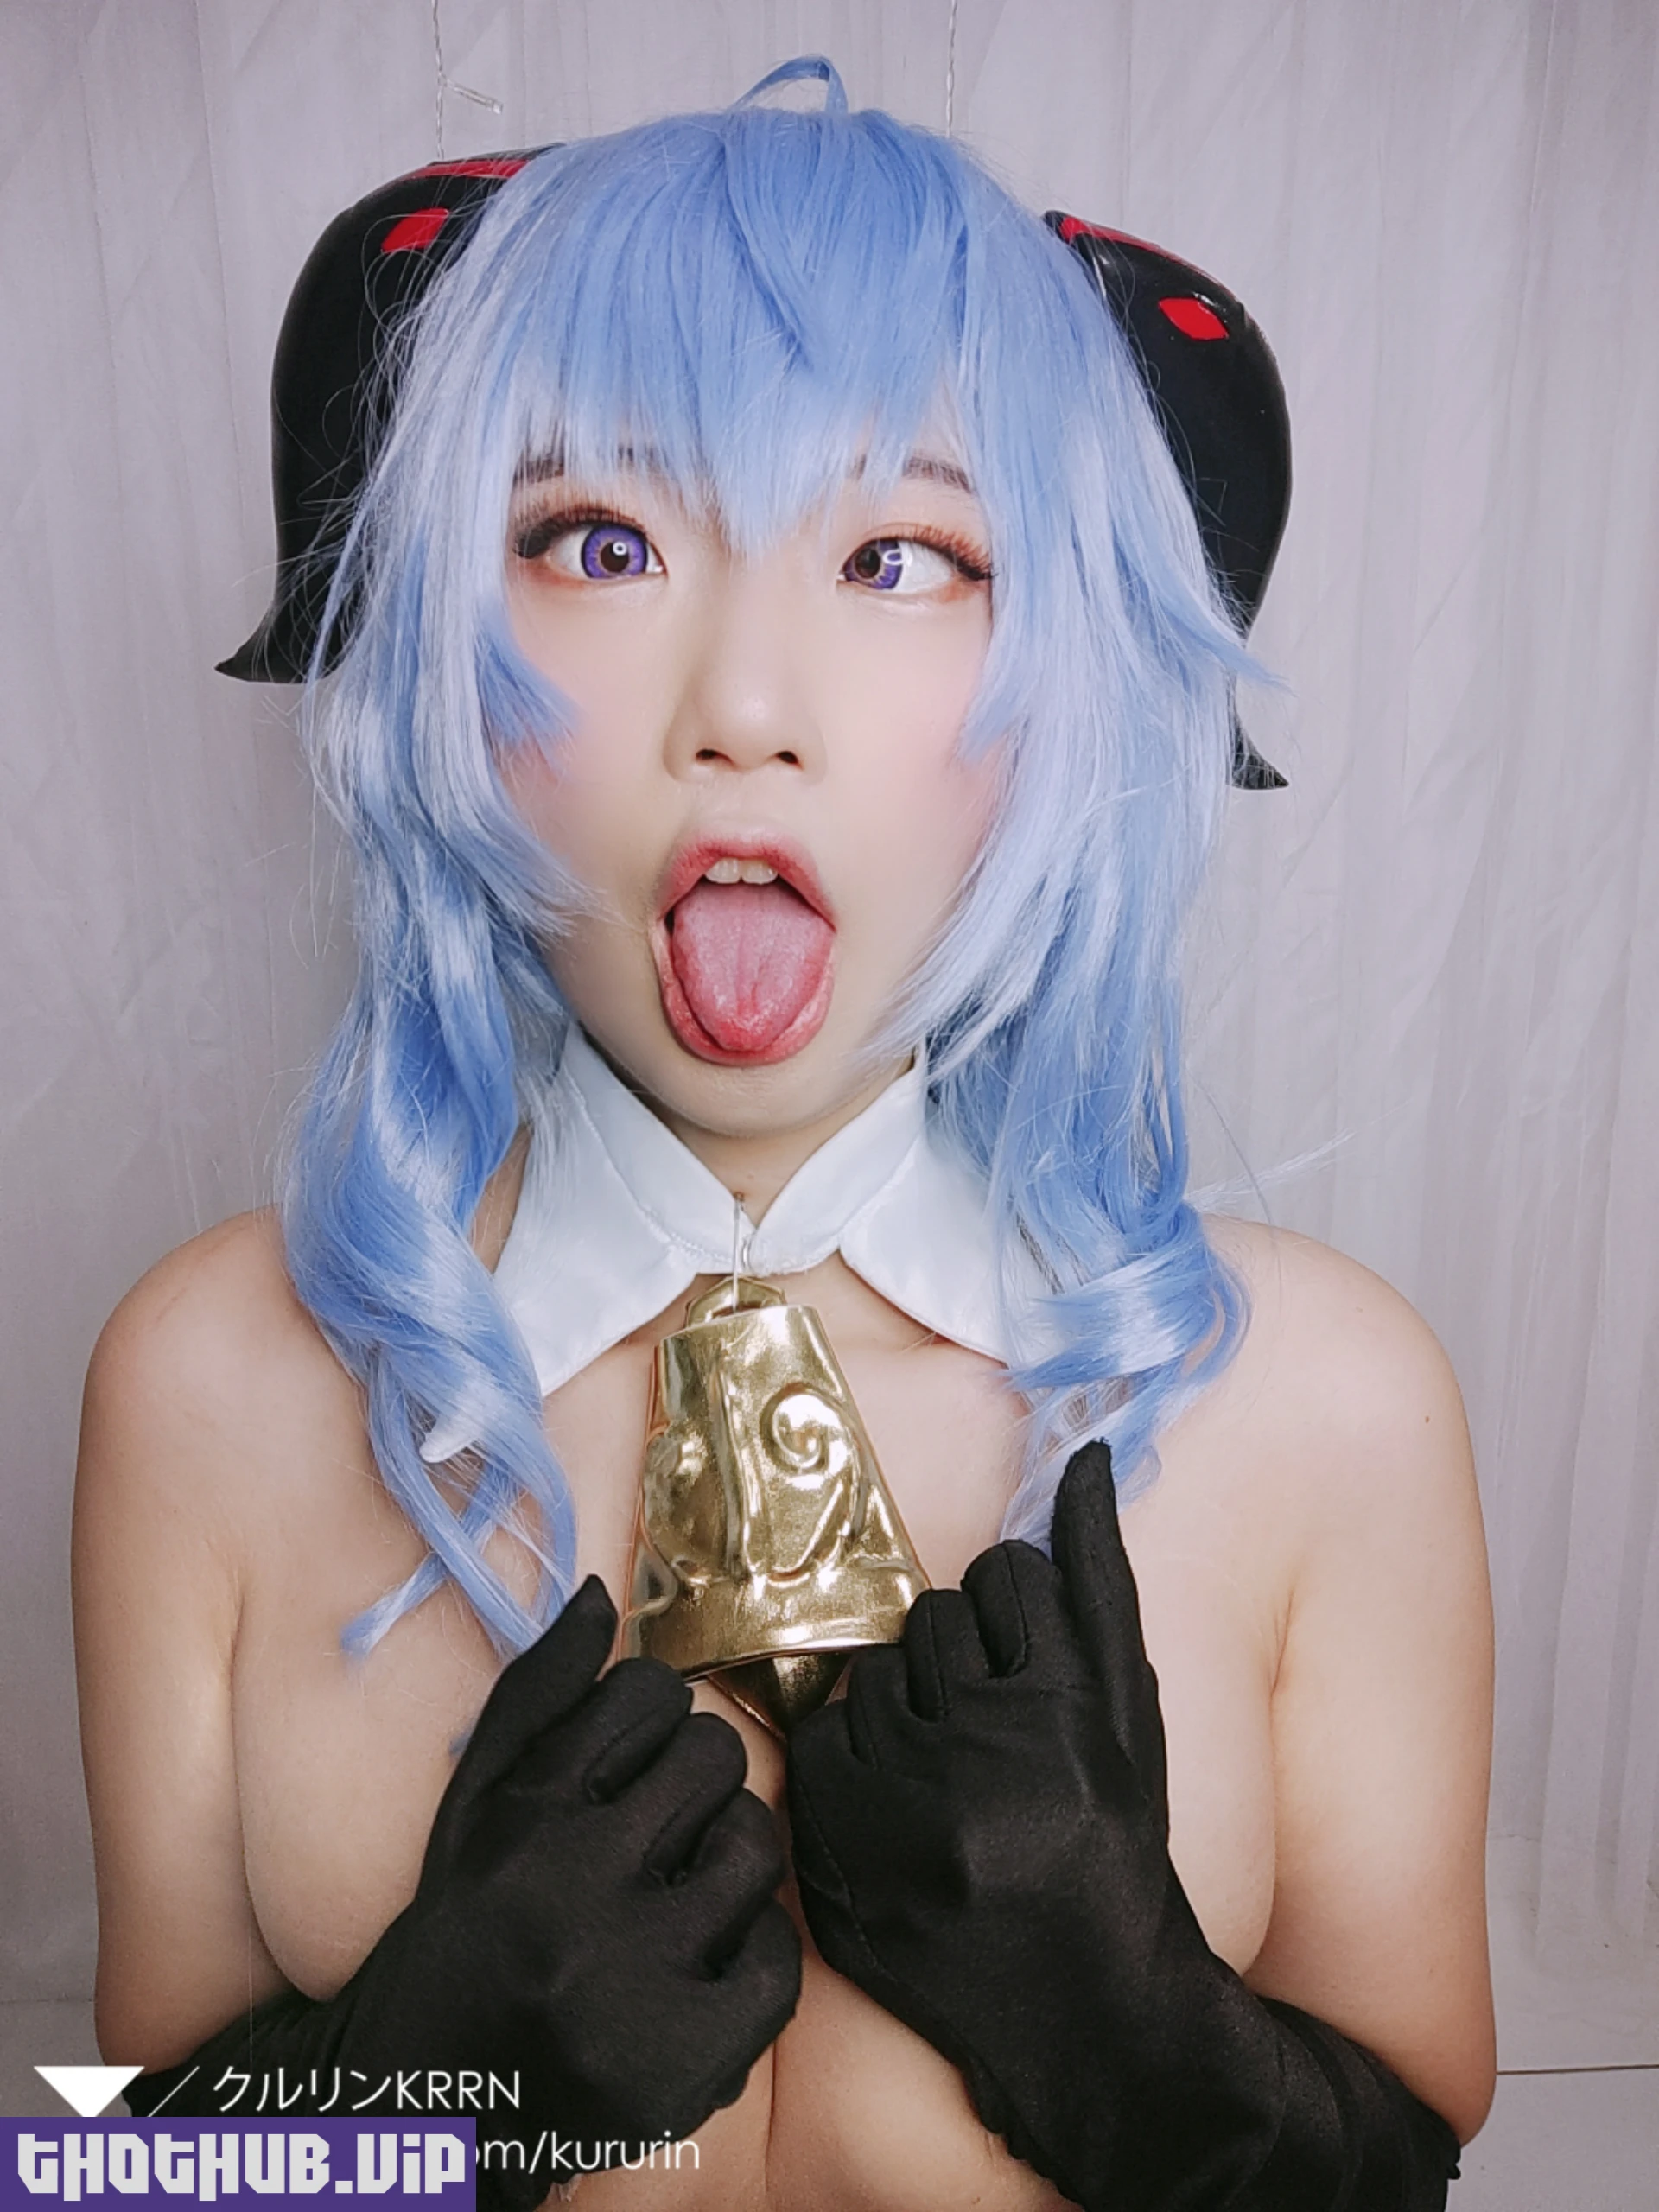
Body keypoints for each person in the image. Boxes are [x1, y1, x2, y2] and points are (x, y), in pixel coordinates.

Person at [73, 60, 1494, 2210]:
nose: (744, 700)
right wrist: (416, 2105)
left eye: (902, 554)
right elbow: (110, 2160)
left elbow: (1418, 2137)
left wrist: (1138, 2039)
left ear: (1077, 669)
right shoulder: (207, 1376)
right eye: (601, 543)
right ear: (441, 638)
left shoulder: (1329, 1401)